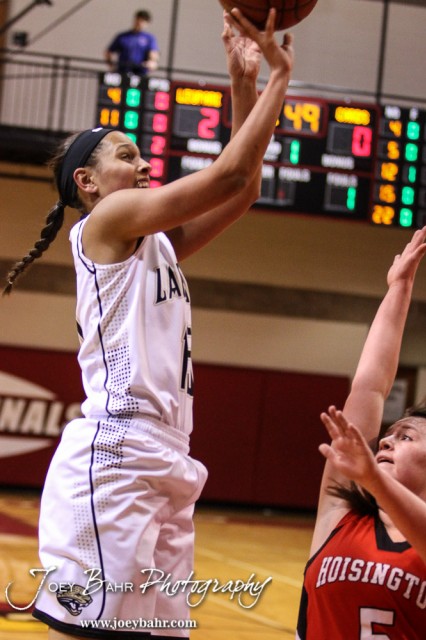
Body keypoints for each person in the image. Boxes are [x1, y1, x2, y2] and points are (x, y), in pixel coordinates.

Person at [4, 9, 294, 640]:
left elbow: (244, 192)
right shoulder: (107, 222)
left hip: (168, 456)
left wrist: (242, 82)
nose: (142, 165)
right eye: (126, 155)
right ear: (86, 181)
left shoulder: (155, 242)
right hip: (118, 454)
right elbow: (230, 174)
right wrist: (278, 79)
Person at [296, 227, 426, 640]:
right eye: (389, 434)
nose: (385, 440)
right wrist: (399, 288)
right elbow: (369, 386)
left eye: (407, 437)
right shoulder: (341, 514)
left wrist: (372, 476)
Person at [104, 9, 160, 76]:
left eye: (143, 21)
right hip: (123, 72)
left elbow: (153, 54)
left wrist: (151, 62)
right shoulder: (123, 36)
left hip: (140, 73)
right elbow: (109, 52)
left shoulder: (149, 38)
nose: (140, 23)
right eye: (139, 20)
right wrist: (112, 66)